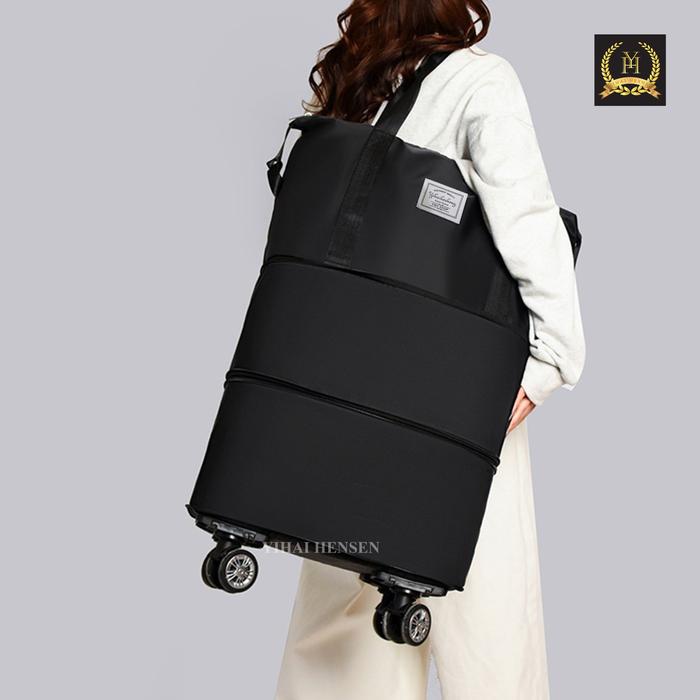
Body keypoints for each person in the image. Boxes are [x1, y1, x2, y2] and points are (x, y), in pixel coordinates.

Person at [274, 2, 585, 698]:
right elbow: (527, 224)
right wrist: (550, 363)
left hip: (338, 385)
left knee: (342, 625)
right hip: (453, 385)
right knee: (487, 622)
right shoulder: (480, 81)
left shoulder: (351, 83)